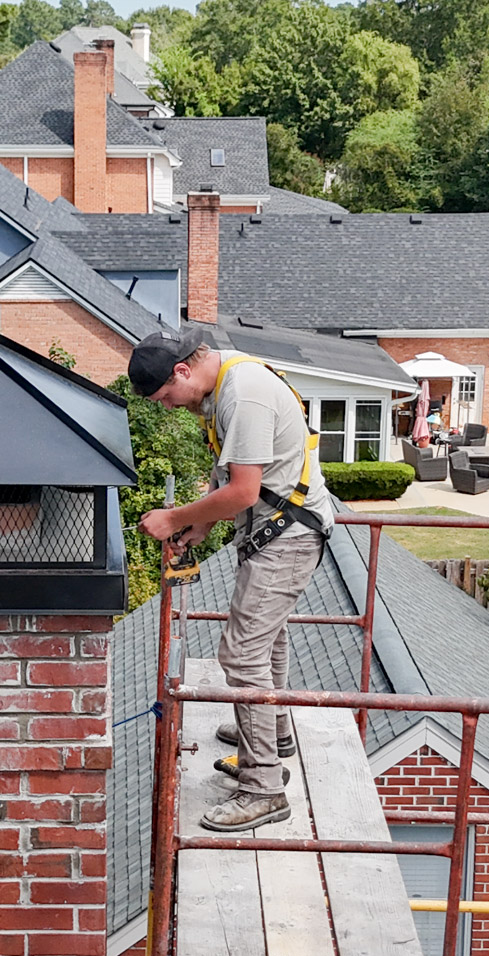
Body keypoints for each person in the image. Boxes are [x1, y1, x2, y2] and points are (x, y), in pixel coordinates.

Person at [130, 327, 335, 833]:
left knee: (242, 654)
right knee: (268, 640)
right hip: (279, 528)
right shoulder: (225, 382)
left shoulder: (242, 393)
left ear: (182, 370)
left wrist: (174, 517)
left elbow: (243, 492)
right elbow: (232, 472)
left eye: (166, 397)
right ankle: (274, 732)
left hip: (288, 534)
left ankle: (263, 786)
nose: (169, 407)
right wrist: (201, 522)